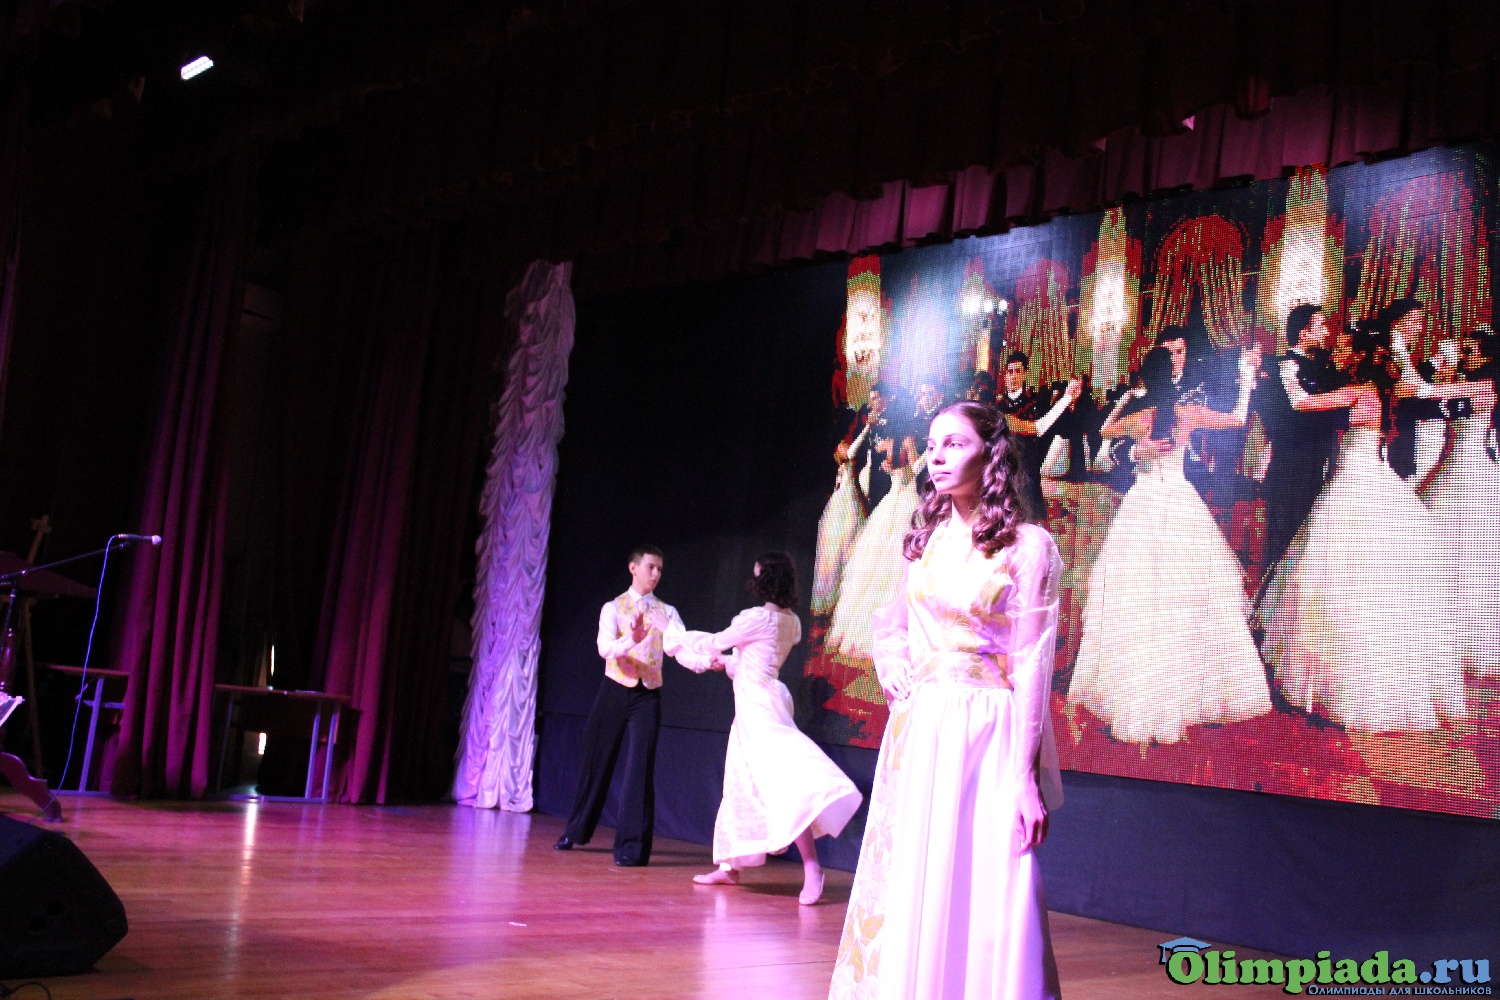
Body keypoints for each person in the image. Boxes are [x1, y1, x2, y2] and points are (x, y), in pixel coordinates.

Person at [829, 401, 1065, 1000]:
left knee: (986, 876)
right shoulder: (926, 540)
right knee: (917, 873)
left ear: (991, 454)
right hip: (922, 727)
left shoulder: (1027, 546)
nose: (936, 456)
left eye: (954, 444)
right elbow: (891, 622)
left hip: (985, 729)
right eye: (932, 444)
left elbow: (1032, 662)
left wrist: (1025, 776)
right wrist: (891, 663)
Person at [1256, 325, 1473, 731]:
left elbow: (1301, 403)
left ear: (1361, 358)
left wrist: (1284, 372)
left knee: (1338, 572)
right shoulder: (1387, 393)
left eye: (1348, 351)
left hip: (1354, 481)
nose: (1340, 356)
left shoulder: (1358, 391)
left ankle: (1340, 675)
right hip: (1370, 475)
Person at [1067, 344, 1272, 745]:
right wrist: (1247, 378)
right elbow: (1237, 418)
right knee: (1186, 592)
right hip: (1179, 501)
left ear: (1146, 377)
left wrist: (1130, 412)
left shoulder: (1142, 416)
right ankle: (1188, 687)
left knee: (1139, 594)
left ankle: (1139, 687)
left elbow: (1105, 431)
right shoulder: (1187, 413)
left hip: (1144, 502)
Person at [650, 553, 862, 905]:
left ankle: (813, 869)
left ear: (765, 580)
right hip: (759, 701)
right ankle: (730, 867)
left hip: (759, 708)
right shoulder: (791, 622)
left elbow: (712, 642)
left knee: (784, 783)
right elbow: (754, 660)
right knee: (740, 782)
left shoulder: (756, 618)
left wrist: (670, 631)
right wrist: (728, 663)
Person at [553, 544, 684, 866]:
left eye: (660, 569)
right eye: (651, 567)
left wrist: (703, 654)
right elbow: (604, 648)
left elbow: (678, 646)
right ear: (633, 568)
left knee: (640, 767)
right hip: (614, 688)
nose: (656, 574)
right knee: (596, 759)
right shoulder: (612, 607)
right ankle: (576, 830)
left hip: (647, 693)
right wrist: (632, 639)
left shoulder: (666, 612)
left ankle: (631, 847)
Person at [1419, 325, 1500, 676]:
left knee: (1469, 545)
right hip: (1456, 462)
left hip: (1474, 468)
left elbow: (1424, 391)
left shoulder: (1485, 385)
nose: (1464, 356)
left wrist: (1439, 366)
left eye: (1470, 351)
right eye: (1462, 350)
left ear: (1486, 356)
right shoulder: (1468, 382)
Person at [1254, 304, 1347, 585]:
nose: (1327, 332)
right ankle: (1272, 597)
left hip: (1320, 460)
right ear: (1303, 332)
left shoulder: (1326, 367)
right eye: (1321, 326)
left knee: (1312, 536)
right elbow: (1289, 410)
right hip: (1291, 464)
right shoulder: (1282, 366)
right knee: (1285, 536)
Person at [997, 351, 1081, 522]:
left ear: (1024, 374)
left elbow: (1041, 428)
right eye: (1010, 371)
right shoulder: (997, 405)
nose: (1013, 376)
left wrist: (1068, 399)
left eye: (1018, 371)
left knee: (1028, 514)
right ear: (1005, 375)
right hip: (1004, 466)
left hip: (1028, 466)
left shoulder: (1035, 401)